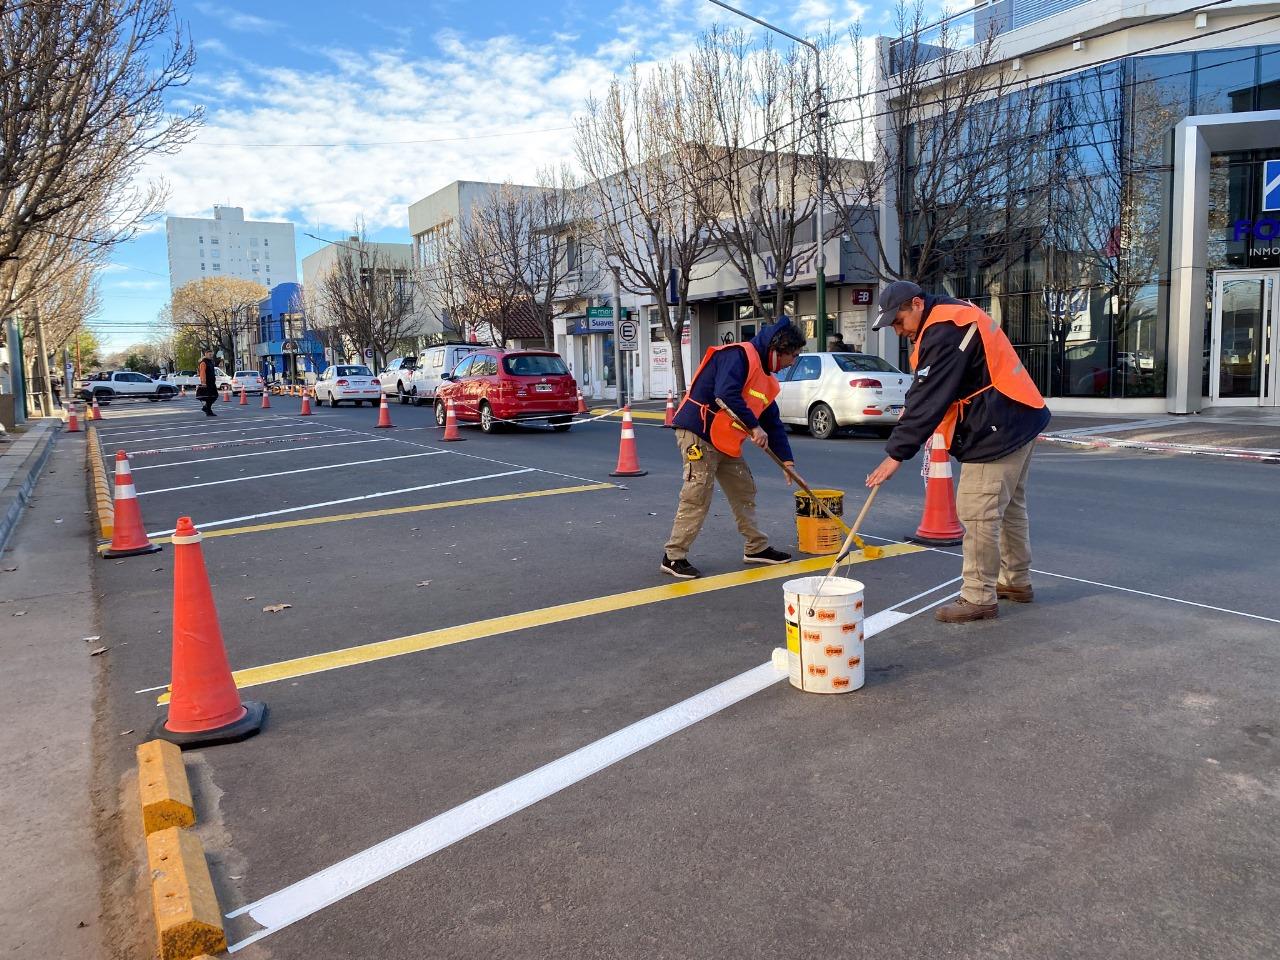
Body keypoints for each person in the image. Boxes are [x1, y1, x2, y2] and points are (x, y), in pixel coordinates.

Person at [864, 281, 1051, 623]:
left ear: (917, 304)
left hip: (995, 428)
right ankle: (1015, 581)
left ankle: (978, 596)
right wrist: (913, 412)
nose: (897, 330)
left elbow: (930, 395)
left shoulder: (946, 328)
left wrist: (895, 454)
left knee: (978, 512)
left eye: (898, 320)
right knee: (1009, 509)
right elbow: (930, 388)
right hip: (1018, 416)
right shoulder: (950, 316)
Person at [662, 318, 807, 580]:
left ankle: (756, 548)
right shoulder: (738, 355)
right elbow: (725, 393)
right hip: (698, 433)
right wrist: (754, 427)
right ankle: (673, 556)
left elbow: (772, 422)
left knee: (744, 489)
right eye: (792, 355)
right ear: (778, 349)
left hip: (724, 440)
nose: (792, 361)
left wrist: (788, 463)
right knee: (697, 494)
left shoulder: (768, 380)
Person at [196, 349, 218, 417]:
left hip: (212, 382)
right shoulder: (203, 362)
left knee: (214, 396)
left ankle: (206, 408)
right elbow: (202, 373)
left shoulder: (211, 362)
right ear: (206, 354)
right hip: (207, 383)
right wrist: (203, 382)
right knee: (209, 397)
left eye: (212, 355)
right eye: (210, 355)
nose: (211, 356)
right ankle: (208, 411)